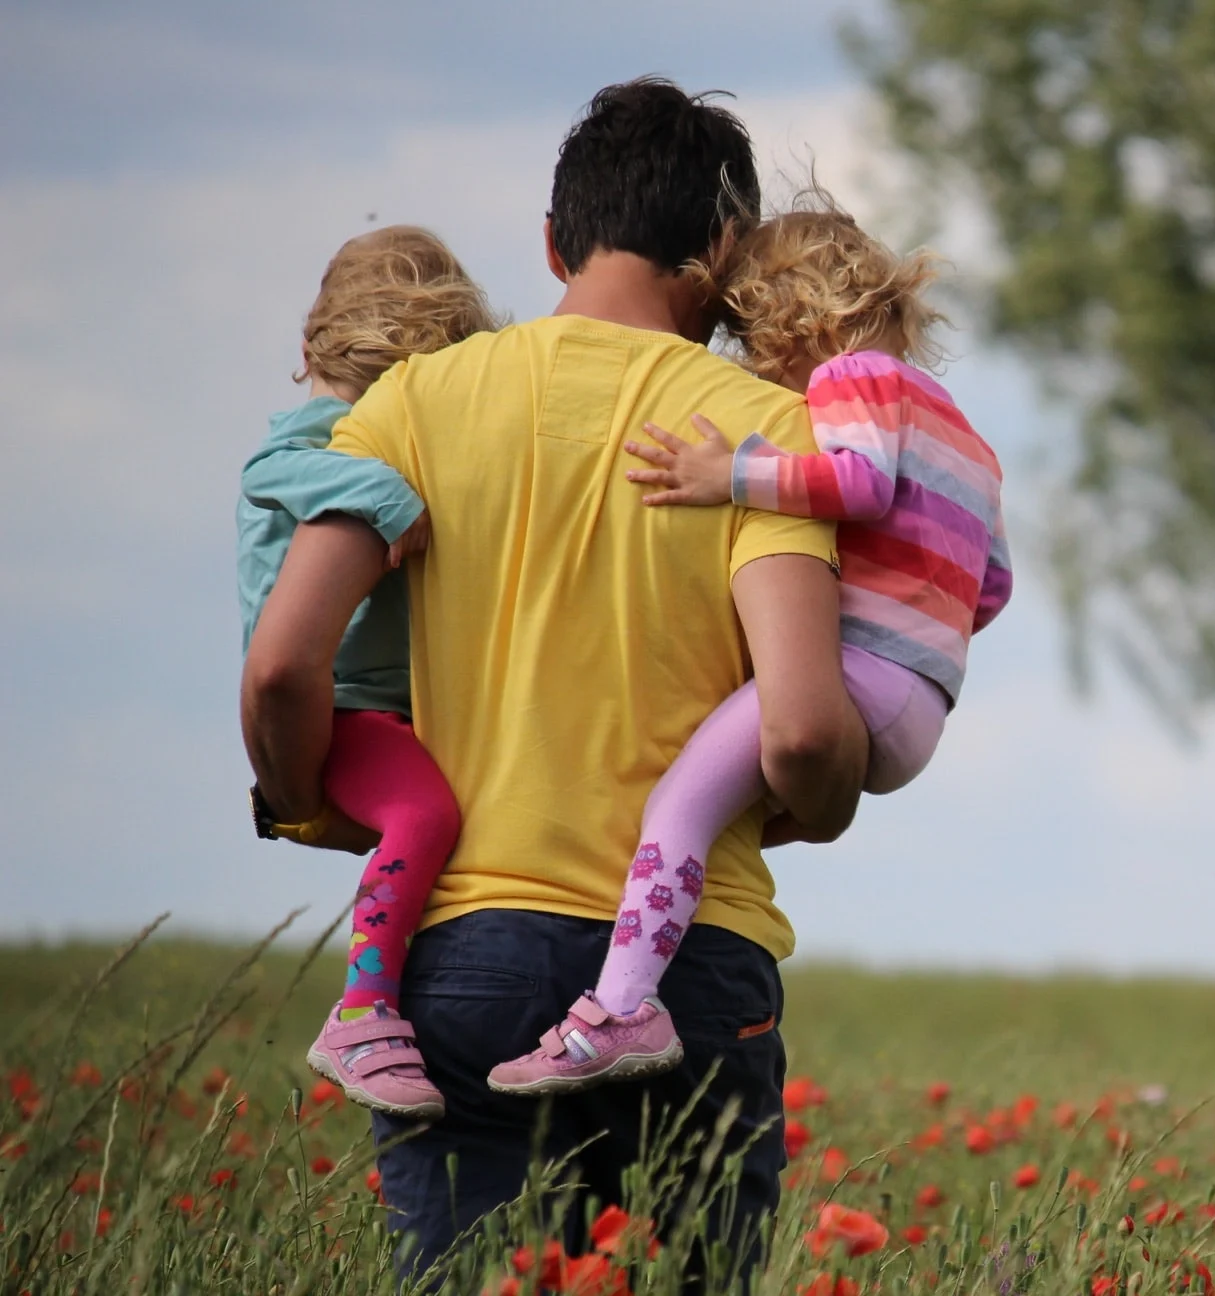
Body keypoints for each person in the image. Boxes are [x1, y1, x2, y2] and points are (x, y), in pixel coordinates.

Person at [240, 78, 868, 1270]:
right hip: (688, 968)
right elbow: (799, 733)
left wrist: (307, 800)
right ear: (724, 250)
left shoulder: (410, 405)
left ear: (551, 241)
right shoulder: (761, 434)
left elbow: (281, 667)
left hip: (463, 954)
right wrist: (821, 807)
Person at [487, 197, 1010, 1094]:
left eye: (750, 336)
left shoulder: (854, 381)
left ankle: (620, 1009)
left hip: (859, 677)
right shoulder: (967, 435)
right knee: (722, 812)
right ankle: (645, 968)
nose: (753, 364)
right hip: (924, 701)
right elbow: (991, 586)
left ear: (793, 318)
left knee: (677, 807)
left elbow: (859, 484)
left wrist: (726, 474)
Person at [238, 225, 496, 1119]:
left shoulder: (364, 427)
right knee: (425, 813)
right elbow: (272, 468)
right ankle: (364, 1010)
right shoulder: (319, 438)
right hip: (344, 707)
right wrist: (386, 495)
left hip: (389, 709)